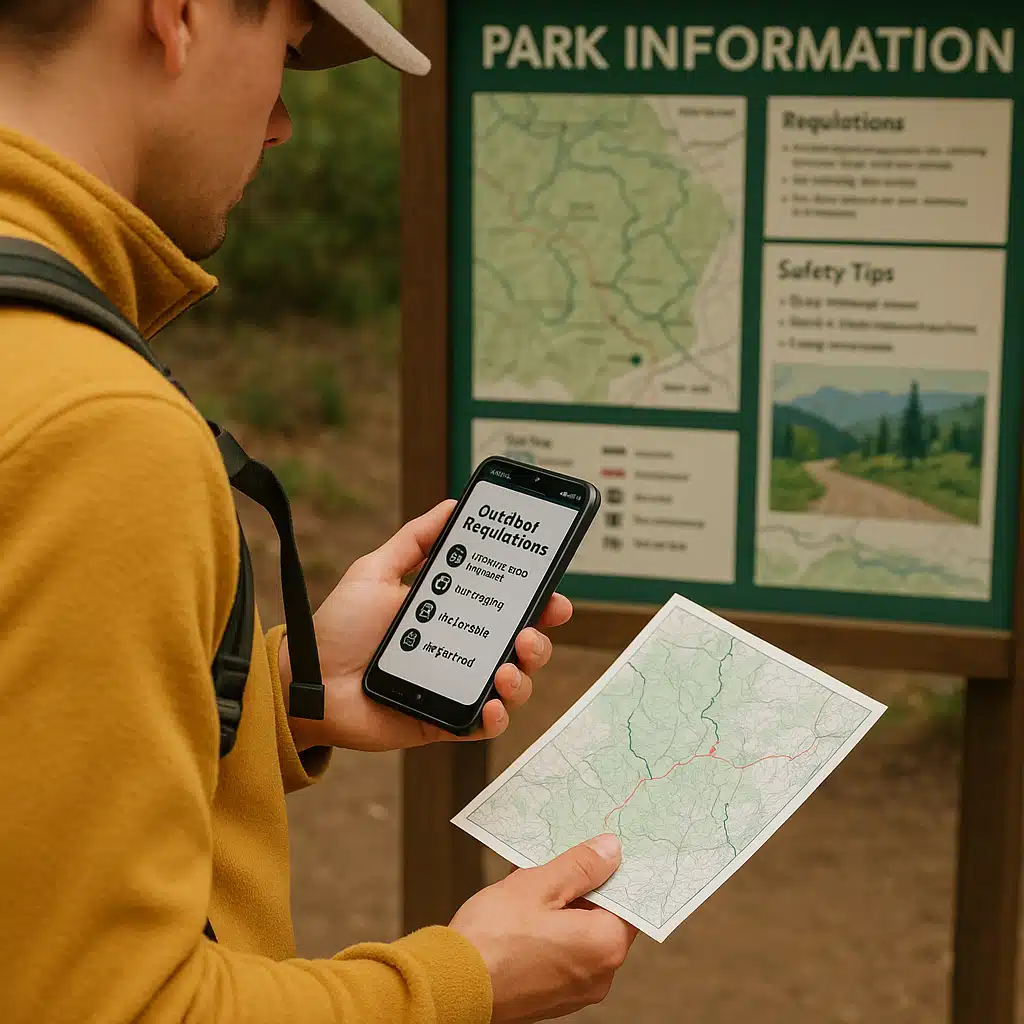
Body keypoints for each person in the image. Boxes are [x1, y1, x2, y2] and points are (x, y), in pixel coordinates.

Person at [0, 0, 638, 1021]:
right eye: (288, 54)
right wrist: (463, 981)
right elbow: (106, 1004)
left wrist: (285, 691)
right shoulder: (98, 428)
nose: (282, 121)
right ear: (179, 16)